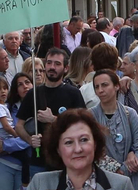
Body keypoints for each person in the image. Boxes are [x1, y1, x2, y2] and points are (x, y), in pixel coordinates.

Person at [16, 48, 87, 181]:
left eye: (57, 64)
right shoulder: (33, 93)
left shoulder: (73, 93)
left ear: (66, 68)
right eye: (49, 63)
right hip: (39, 162)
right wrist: (29, 140)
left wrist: (54, 119)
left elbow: (82, 126)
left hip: (66, 162)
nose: (52, 67)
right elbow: (19, 125)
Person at [89, 68, 138, 190]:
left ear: (116, 86)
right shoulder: (90, 117)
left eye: (105, 85)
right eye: (97, 87)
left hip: (132, 182)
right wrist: (115, 170)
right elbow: (90, 150)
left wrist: (125, 169)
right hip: (102, 182)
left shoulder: (130, 114)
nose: (101, 90)